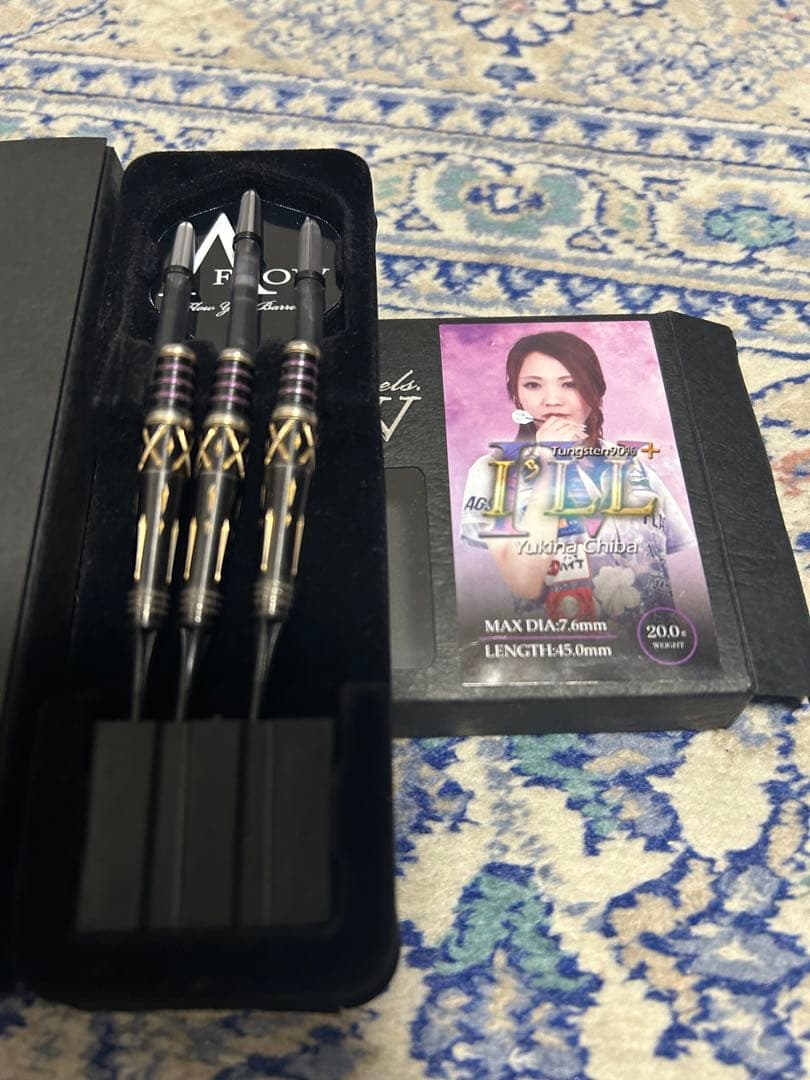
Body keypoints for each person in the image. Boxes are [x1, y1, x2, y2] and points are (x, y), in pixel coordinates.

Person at [460, 331, 695, 624]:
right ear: (516, 395)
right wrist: (549, 462)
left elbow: (674, 568)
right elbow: (524, 584)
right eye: (533, 385)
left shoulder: (633, 464)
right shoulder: (494, 469)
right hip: (567, 645)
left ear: (595, 390)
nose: (551, 400)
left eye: (569, 384)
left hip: (654, 641)